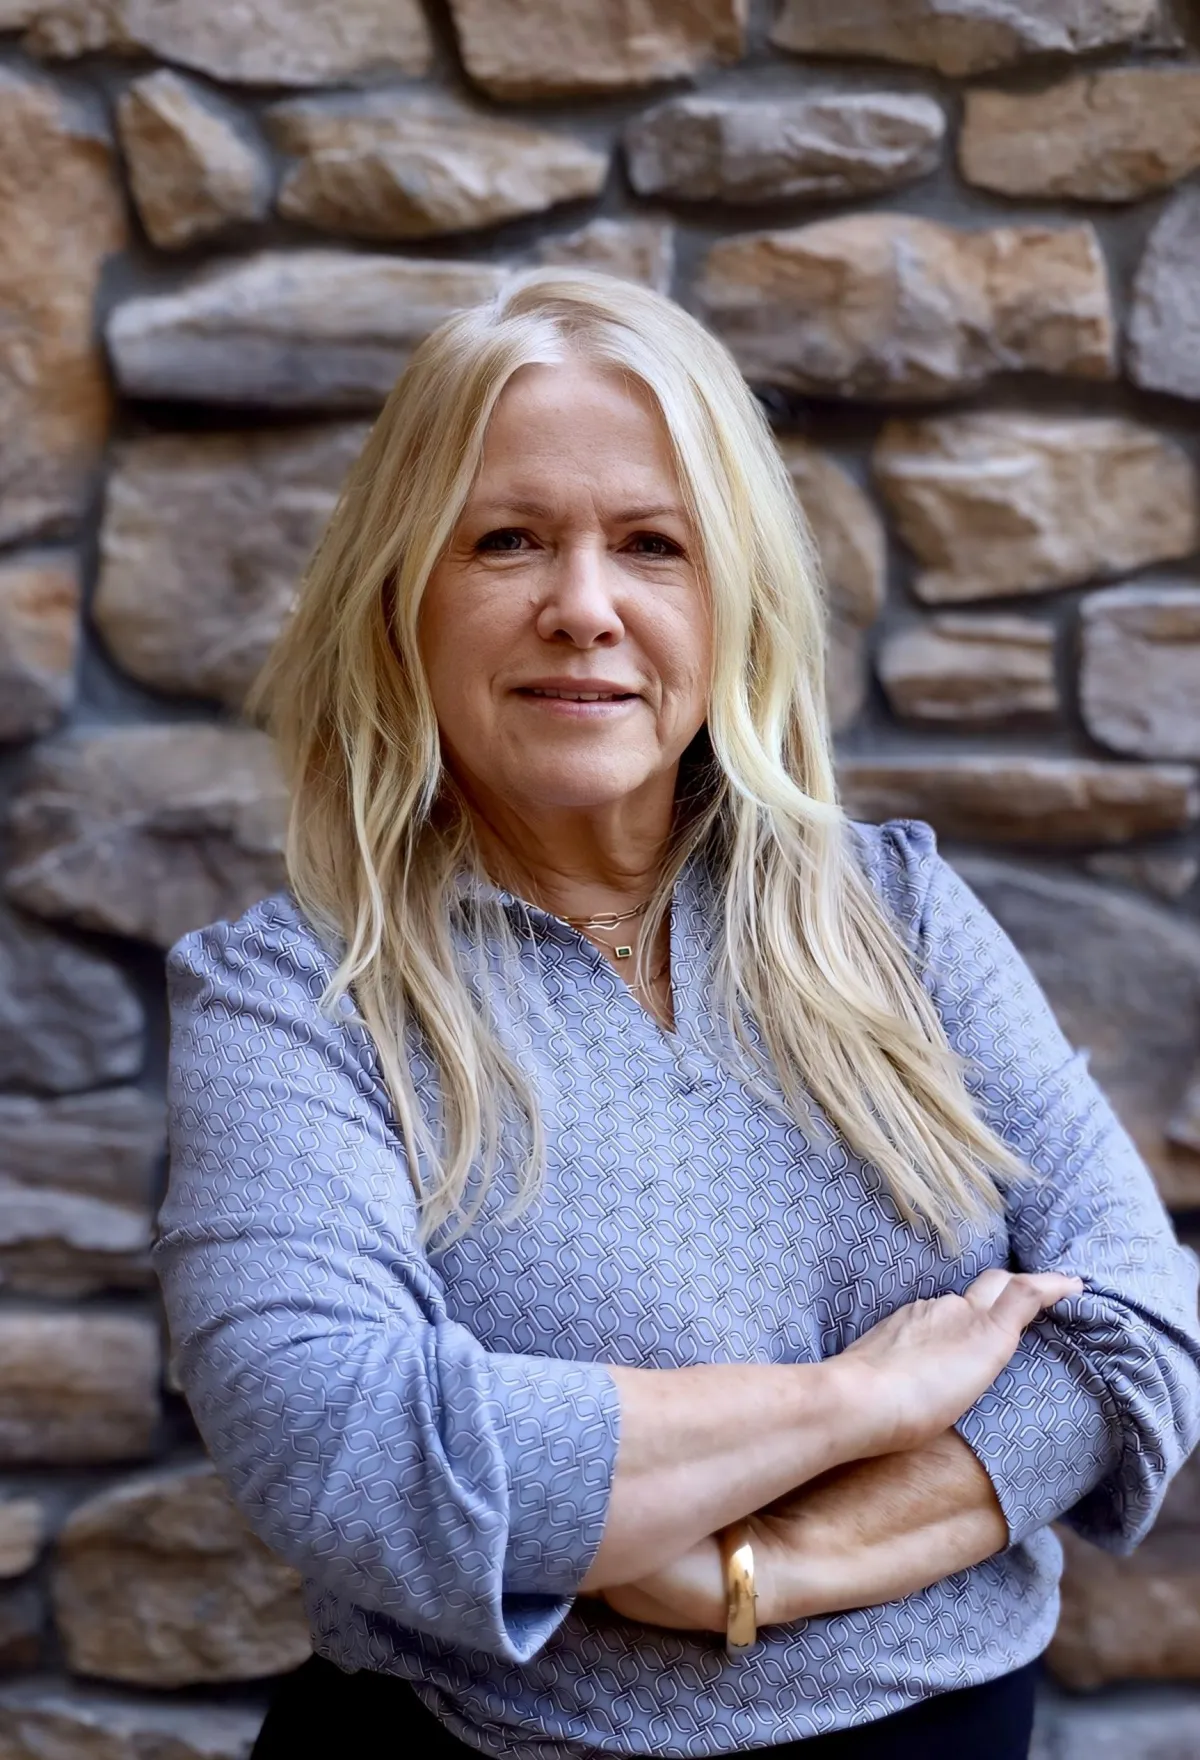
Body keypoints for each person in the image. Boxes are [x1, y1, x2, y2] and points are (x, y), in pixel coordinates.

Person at [155, 269, 1200, 1760]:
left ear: (733, 601)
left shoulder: (893, 913)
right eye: (507, 539)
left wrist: (750, 1574)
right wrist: (854, 1401)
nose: (582, 607)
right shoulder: (295, 1001)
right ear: (403, 597)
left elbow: (1142, 1329)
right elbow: (345, 1450)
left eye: (652, 546)